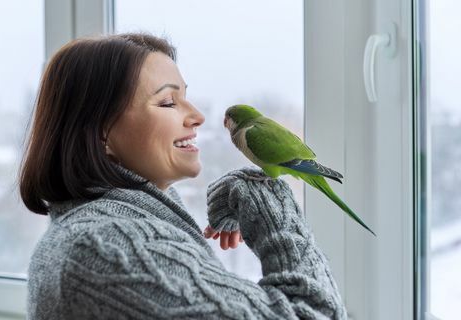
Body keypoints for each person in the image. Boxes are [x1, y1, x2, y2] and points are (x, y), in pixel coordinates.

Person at [19, 32, 347, 320]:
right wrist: (270, 203)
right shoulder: (108, 249)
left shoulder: (102, 231)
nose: (198, 116)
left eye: (185, 97)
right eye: (167, 102)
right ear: (102, 133)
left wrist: (240, 193)